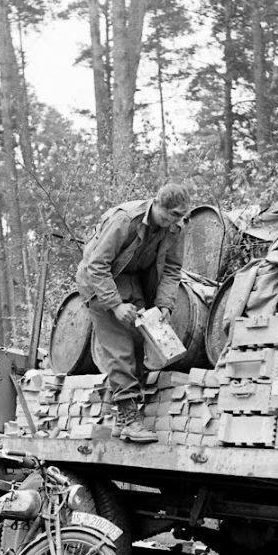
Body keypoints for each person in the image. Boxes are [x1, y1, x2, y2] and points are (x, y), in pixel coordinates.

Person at [75, 182, 191, 443]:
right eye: (172, 215)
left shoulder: (176, 227)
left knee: (141, 345)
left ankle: (120, 418)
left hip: (133, 281)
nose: (176, 222)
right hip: (99, 282)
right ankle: (129, 418)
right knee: (120, 349)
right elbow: (96, 265)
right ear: (158, 204)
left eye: (180, 216)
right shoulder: (125, 219)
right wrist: (115, 305)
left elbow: (172, 269)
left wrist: (164, 304)